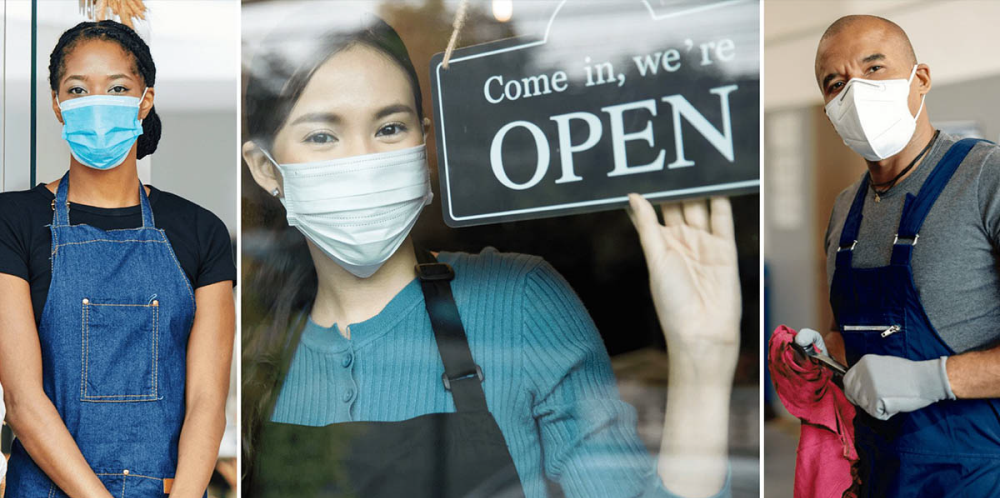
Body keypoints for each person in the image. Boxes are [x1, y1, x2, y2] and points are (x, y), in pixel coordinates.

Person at [240, 18, 740, 498]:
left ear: (424, 142)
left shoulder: (520, 301)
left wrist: (703, 360)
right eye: (322, 136)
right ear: (266, 170)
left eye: (390, 128)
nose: (365, 162)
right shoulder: (253, 351)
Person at [0, 21, 236, 497]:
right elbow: (23, 401)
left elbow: (207, 403)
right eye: (77, 89)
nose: (97, 102)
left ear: (145, 99)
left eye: (117, 87)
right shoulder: (12, 220)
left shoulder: (200, 231)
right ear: (57, 103)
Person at [795, 14, 1000, 497]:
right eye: (835, 83)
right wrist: (820, 357)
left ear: (920, 79)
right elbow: (847, 333)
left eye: (874, 69)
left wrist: (933, 379)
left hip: (976, 475)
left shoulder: (986, 178)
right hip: (876, 474)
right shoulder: (845, 209)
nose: (856, 92)